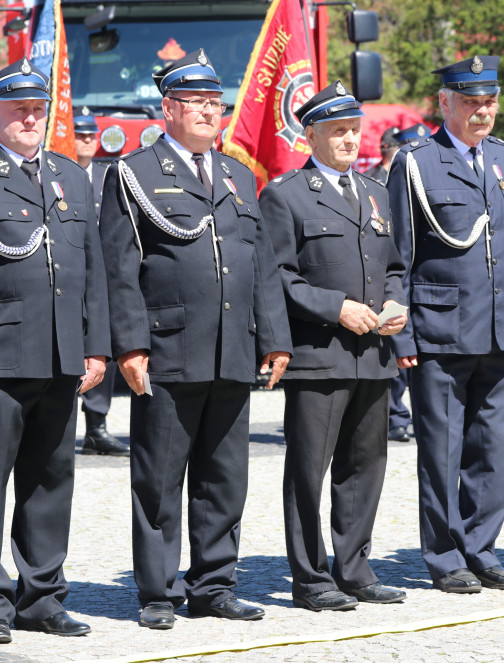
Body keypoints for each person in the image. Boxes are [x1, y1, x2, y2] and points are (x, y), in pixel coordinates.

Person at [100, 49, 292, 629]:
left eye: (217, 103)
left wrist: (274, 336)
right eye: (198, 103)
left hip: (233, 347)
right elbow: (120, 268)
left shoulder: (236, 174)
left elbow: (259, 263)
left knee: (224, 476)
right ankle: (158, 591)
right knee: (160, 478)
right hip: (168, 349)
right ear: (168, 109)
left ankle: (214, 584)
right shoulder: (133, 172)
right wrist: (130, 346)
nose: (211, 113)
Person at [0, 58, 111, 644]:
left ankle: (42, 596)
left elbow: (93, 271)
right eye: (17, 110)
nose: (30, 119)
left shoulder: (71, 176)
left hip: (61, 355)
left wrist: (96, 347)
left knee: (51, 479)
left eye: (38, 110)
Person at [259, 81, 408, 612]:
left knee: (364, 467)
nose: (349, 140)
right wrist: (335, 307)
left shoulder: (374, 191)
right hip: (319, 355)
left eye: (354, 130)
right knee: (308, 470)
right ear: (311, 134)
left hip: (374, 353)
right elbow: (277, 276)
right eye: (338, 131)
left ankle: (355, 569)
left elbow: (394, 265)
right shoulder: (285, 195)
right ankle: (310, 577)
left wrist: (396, 306)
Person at [387, 55, 504, 593]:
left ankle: (483, 547)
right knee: (442, 451)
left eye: (489, 101)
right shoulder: (417, 161)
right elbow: (398, 255)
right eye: (470, 102)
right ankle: (446, 556)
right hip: (439, 331)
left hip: (498, 330)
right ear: (444, 103)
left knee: (493, 450)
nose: (482, 111)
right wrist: (402, 332)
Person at [73, 105, 128, 455]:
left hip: (101, 278)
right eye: (81, 135)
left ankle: (97, 425)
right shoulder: (56, 173)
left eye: (92, 134)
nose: (89, 140)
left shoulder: (108, 175)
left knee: (100, 350)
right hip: (67, 274)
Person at [385, 123, 430, 443]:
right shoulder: (382, 177)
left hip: (425, 285)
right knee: (396, 351)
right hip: (397, 281)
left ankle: (402, 414)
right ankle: (394, 413)